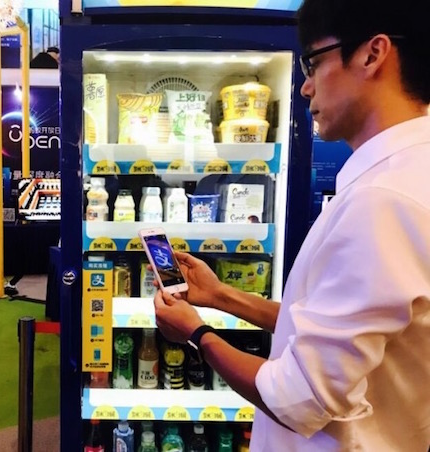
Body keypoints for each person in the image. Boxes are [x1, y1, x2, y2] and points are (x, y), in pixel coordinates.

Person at [153, 0, 430, 450]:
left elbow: (298, 398)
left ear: (373, 54)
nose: (305, 87)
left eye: (313, 62)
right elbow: (329, 329)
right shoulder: (404, 177)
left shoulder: (383, 200)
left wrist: (196, 333)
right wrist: (221, 296)